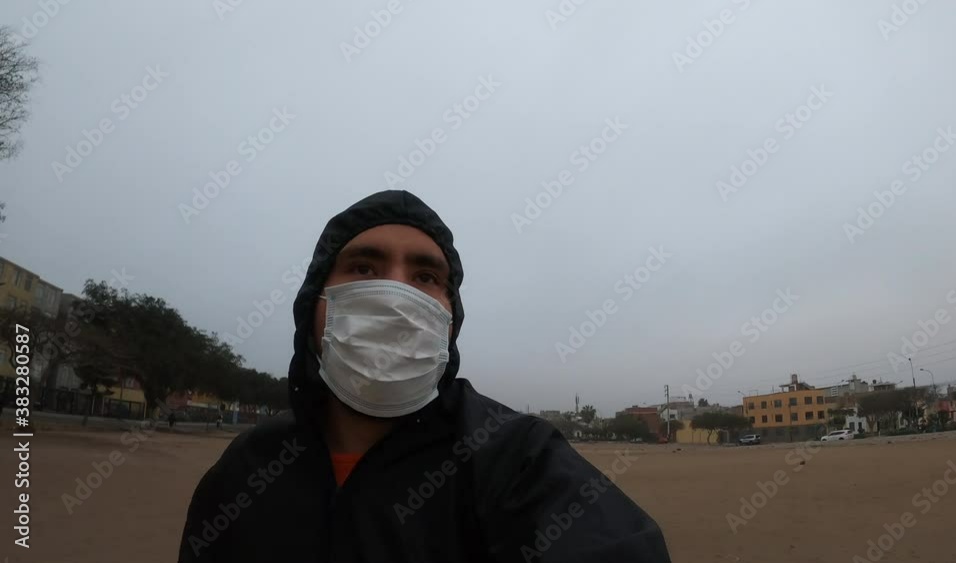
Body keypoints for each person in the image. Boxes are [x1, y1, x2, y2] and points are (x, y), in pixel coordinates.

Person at [178, 190, 671, 562]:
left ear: (450, 321)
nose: (396, 296)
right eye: (363, 267)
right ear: (313, 306)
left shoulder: (515, 457)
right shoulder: (247, 468)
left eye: (426, 277)